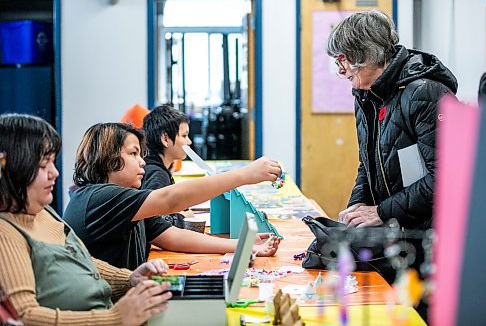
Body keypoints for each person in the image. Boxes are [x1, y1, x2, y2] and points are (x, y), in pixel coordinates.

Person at [0, 114, 172, 326]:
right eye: (44, 164)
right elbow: (24, 317)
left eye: (53, 162)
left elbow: (78, 261)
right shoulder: (5, 233)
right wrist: (114, 319)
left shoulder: (44, 213)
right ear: (14, 168)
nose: (54, 173)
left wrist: (129, 279)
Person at [63, 122, 281, 270]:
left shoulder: (125, 201)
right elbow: (170, 200)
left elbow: (171, 237)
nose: (142, 162)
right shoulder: (100, 199)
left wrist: (245, 245)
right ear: (108, 159)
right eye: (133, 153)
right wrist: (244, 175)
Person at [328, 10, 458, 229]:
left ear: (367, 54)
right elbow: (368, 164)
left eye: (344, 60)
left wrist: (380, 212)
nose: (341, 70)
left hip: (431, 235)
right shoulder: (366, 96)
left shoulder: (425, 93)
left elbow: (445, 177)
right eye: (337, 62)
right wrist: (357, 206)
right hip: (396, 228)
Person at [142, 105, 193, 229]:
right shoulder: (156, 173)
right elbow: (155, 221)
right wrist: (183, 218)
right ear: (165, 139)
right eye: (184, 136)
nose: (189, 142)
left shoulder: (154, 166)